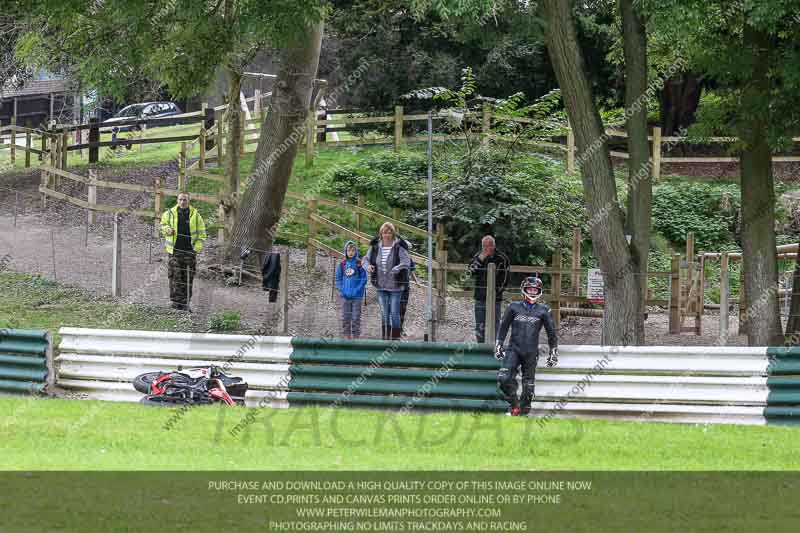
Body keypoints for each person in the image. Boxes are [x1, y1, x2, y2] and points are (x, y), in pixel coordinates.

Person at [495, 276, 559, 416]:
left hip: (531, 353)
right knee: (503, 377)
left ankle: (521, 414)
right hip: (513, 349)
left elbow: (552, 333)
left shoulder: (544, 310)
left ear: (540, 291)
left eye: (535, 289)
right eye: (530, 289)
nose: (532, 291)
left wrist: (553, 352)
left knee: (529, 389)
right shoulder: (513, 307)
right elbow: (503, 327)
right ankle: (515, 405)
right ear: (523, 290)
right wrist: (499, 344)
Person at [160, 192, 207, 311]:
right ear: (177, 200)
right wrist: (167, 229)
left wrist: (196, 248)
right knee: (174, 277)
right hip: (174, 251)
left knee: (188, 278)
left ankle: (185, 304)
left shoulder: (196, 216)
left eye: (185, 200)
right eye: (180, 199)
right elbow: (162, 225)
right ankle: (175, 304)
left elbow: (202, 234)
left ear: (189, 201)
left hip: (189, 252)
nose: (182, 202)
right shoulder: (169, 213)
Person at [364, 222, 411, 340]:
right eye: (385, 232)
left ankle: (395, 339)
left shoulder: (398, 246)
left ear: (393, 234)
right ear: (381, 234)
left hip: (396, 286)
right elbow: (365, 259)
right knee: (384, 314)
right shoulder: (375, 247)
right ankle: (385, 339)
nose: (387, 234)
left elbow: (406, 262)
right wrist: (368, 266)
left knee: (394, 314)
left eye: (390, 232)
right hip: (381, 285)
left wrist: (398, 268)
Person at [469, 235, 510, 343]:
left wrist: (496, 294)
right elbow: (471, 272)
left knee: (495, 323)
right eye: (484, 246)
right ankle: (481, 347)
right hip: (480, 296)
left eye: (489, 246)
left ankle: (495, 347)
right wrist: (480, 258)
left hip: (495, 298)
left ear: (493, 245)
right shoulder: (478, 256)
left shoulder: (502, 258)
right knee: (479, 324)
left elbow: (505, 279)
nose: (486, 248)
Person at [335, 240, 368, 339]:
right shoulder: (342, 264)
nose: (351, 252)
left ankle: (356, 336)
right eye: (349, 250)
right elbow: (338, 279)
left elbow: (364, 279)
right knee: (346, 316)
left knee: (355, 317)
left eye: (353, 250)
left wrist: (357, 289)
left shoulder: (359, 264)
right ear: (345, 251)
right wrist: (342, 290)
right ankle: (346, 335)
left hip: (357, 296)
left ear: (356, 251)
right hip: (345, 296)